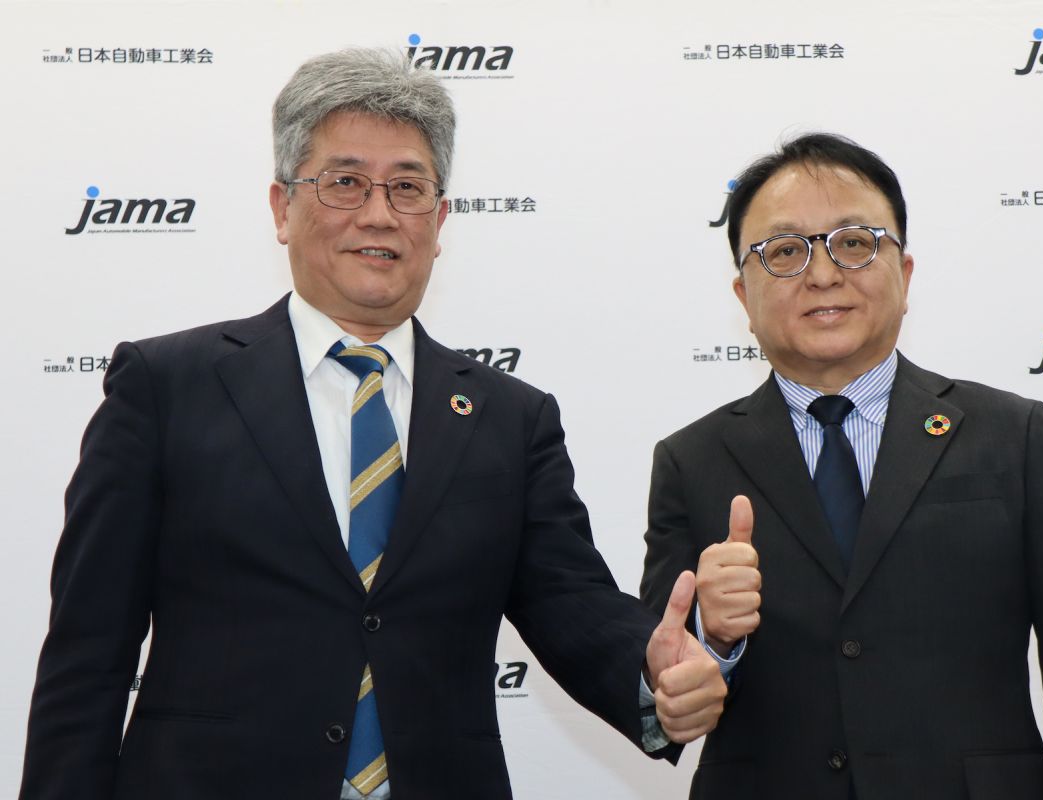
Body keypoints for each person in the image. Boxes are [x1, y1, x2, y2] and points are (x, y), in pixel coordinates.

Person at [20, 47, 726, 800]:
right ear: (282, 208)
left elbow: (569, 601)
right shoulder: (165, 387)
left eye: (408, 187)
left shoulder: (511, 418)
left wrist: (653, 670)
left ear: (440, 219)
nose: (380, 214)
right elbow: (88, 653)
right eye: (345, 182)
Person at [640, 133, 1043, 800]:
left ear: (904, 274)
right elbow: (660, 702)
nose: (823, 275)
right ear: (743, 295)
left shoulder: (1012, 437)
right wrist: (713, 638)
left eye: (854, 243)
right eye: (785, 251)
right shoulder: (691, 460)